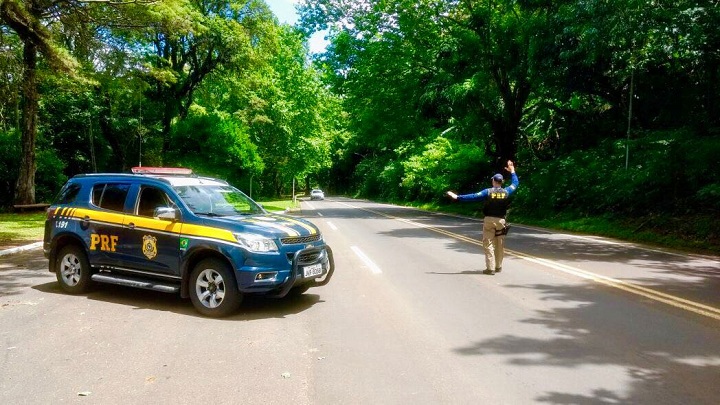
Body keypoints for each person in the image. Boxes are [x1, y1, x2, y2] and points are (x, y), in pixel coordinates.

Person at [446, 160, 519, 275]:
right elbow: (515, 184)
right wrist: (513, 171)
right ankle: (498, 266)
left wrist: (457, 197)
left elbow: (474, 197)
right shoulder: (506, 191)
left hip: (489, 220)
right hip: (501, 221)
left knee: (488, 243)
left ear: (494, 181)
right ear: (502, 182)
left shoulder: (488, 191)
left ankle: (490, 268)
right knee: (499, 244)